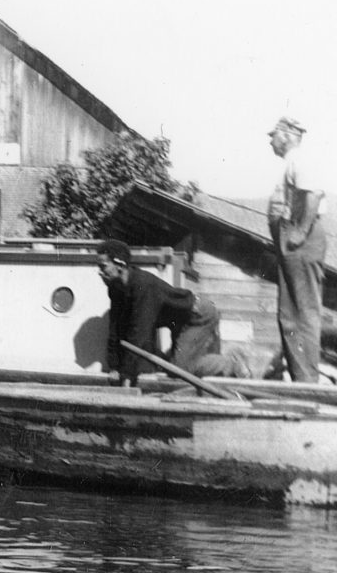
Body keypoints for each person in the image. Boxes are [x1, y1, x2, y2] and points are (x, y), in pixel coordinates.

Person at [95, 239, 245, 386]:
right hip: (178, 322)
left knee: (180, 369)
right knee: (171, 365)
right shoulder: (115, 289)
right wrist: (114, 366)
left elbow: (139, 332)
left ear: (120, 264)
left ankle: (231, 363)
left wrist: (127, 374)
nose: (100, 272)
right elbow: (116, 328)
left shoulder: (143, 285)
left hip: (197, 316)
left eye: (103, 266)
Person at [266, 116, 327, 383]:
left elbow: (312, 193)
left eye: (274, 135)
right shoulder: (291, 162)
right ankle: (302, 379)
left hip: (300, 239)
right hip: (290, 240)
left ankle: (308, 383)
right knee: (289, 315)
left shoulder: (299, 158)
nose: (271, 141)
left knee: (302, 312)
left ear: (288, 135)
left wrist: (300, 232)